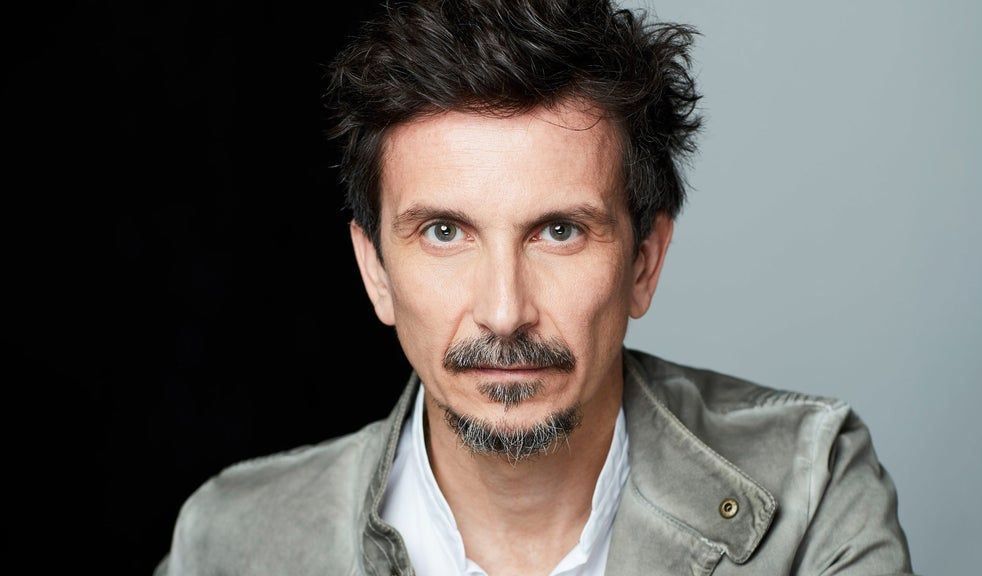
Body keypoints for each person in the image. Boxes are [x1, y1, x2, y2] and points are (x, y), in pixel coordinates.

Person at [155, 1, 914, 574]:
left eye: (558, 231)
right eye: (444, 232)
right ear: (375, 272)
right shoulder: (231, 541)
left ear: (644, 263)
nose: (503, 311)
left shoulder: (810, 490)